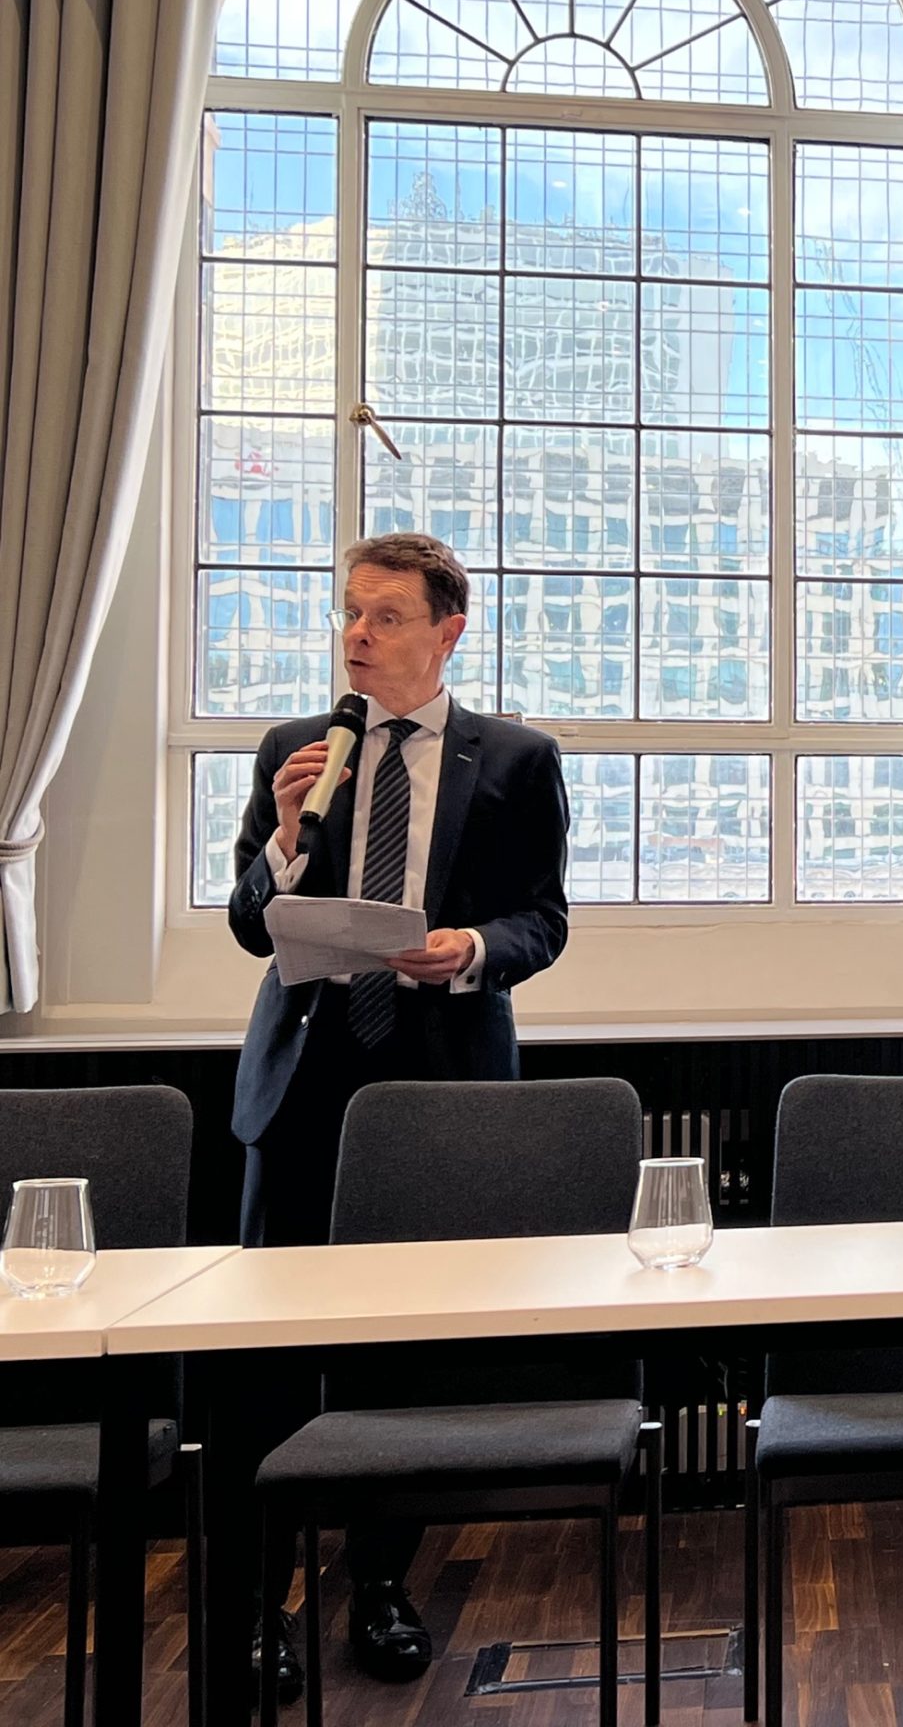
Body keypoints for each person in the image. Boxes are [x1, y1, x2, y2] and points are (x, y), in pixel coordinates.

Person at [226, 532, 570, 1694]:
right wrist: (279, 846)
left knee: (401, 1361)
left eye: (382, 618)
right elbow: (245, 922)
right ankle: (260, 1603)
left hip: (435, 1095)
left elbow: (542, 921)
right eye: (349, 616)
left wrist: (470, 948)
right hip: (306, 1079)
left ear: (447, 631)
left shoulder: (516, 760)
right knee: (270, 1355)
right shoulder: (295, 752)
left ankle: (379, 1586)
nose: (357, 638)